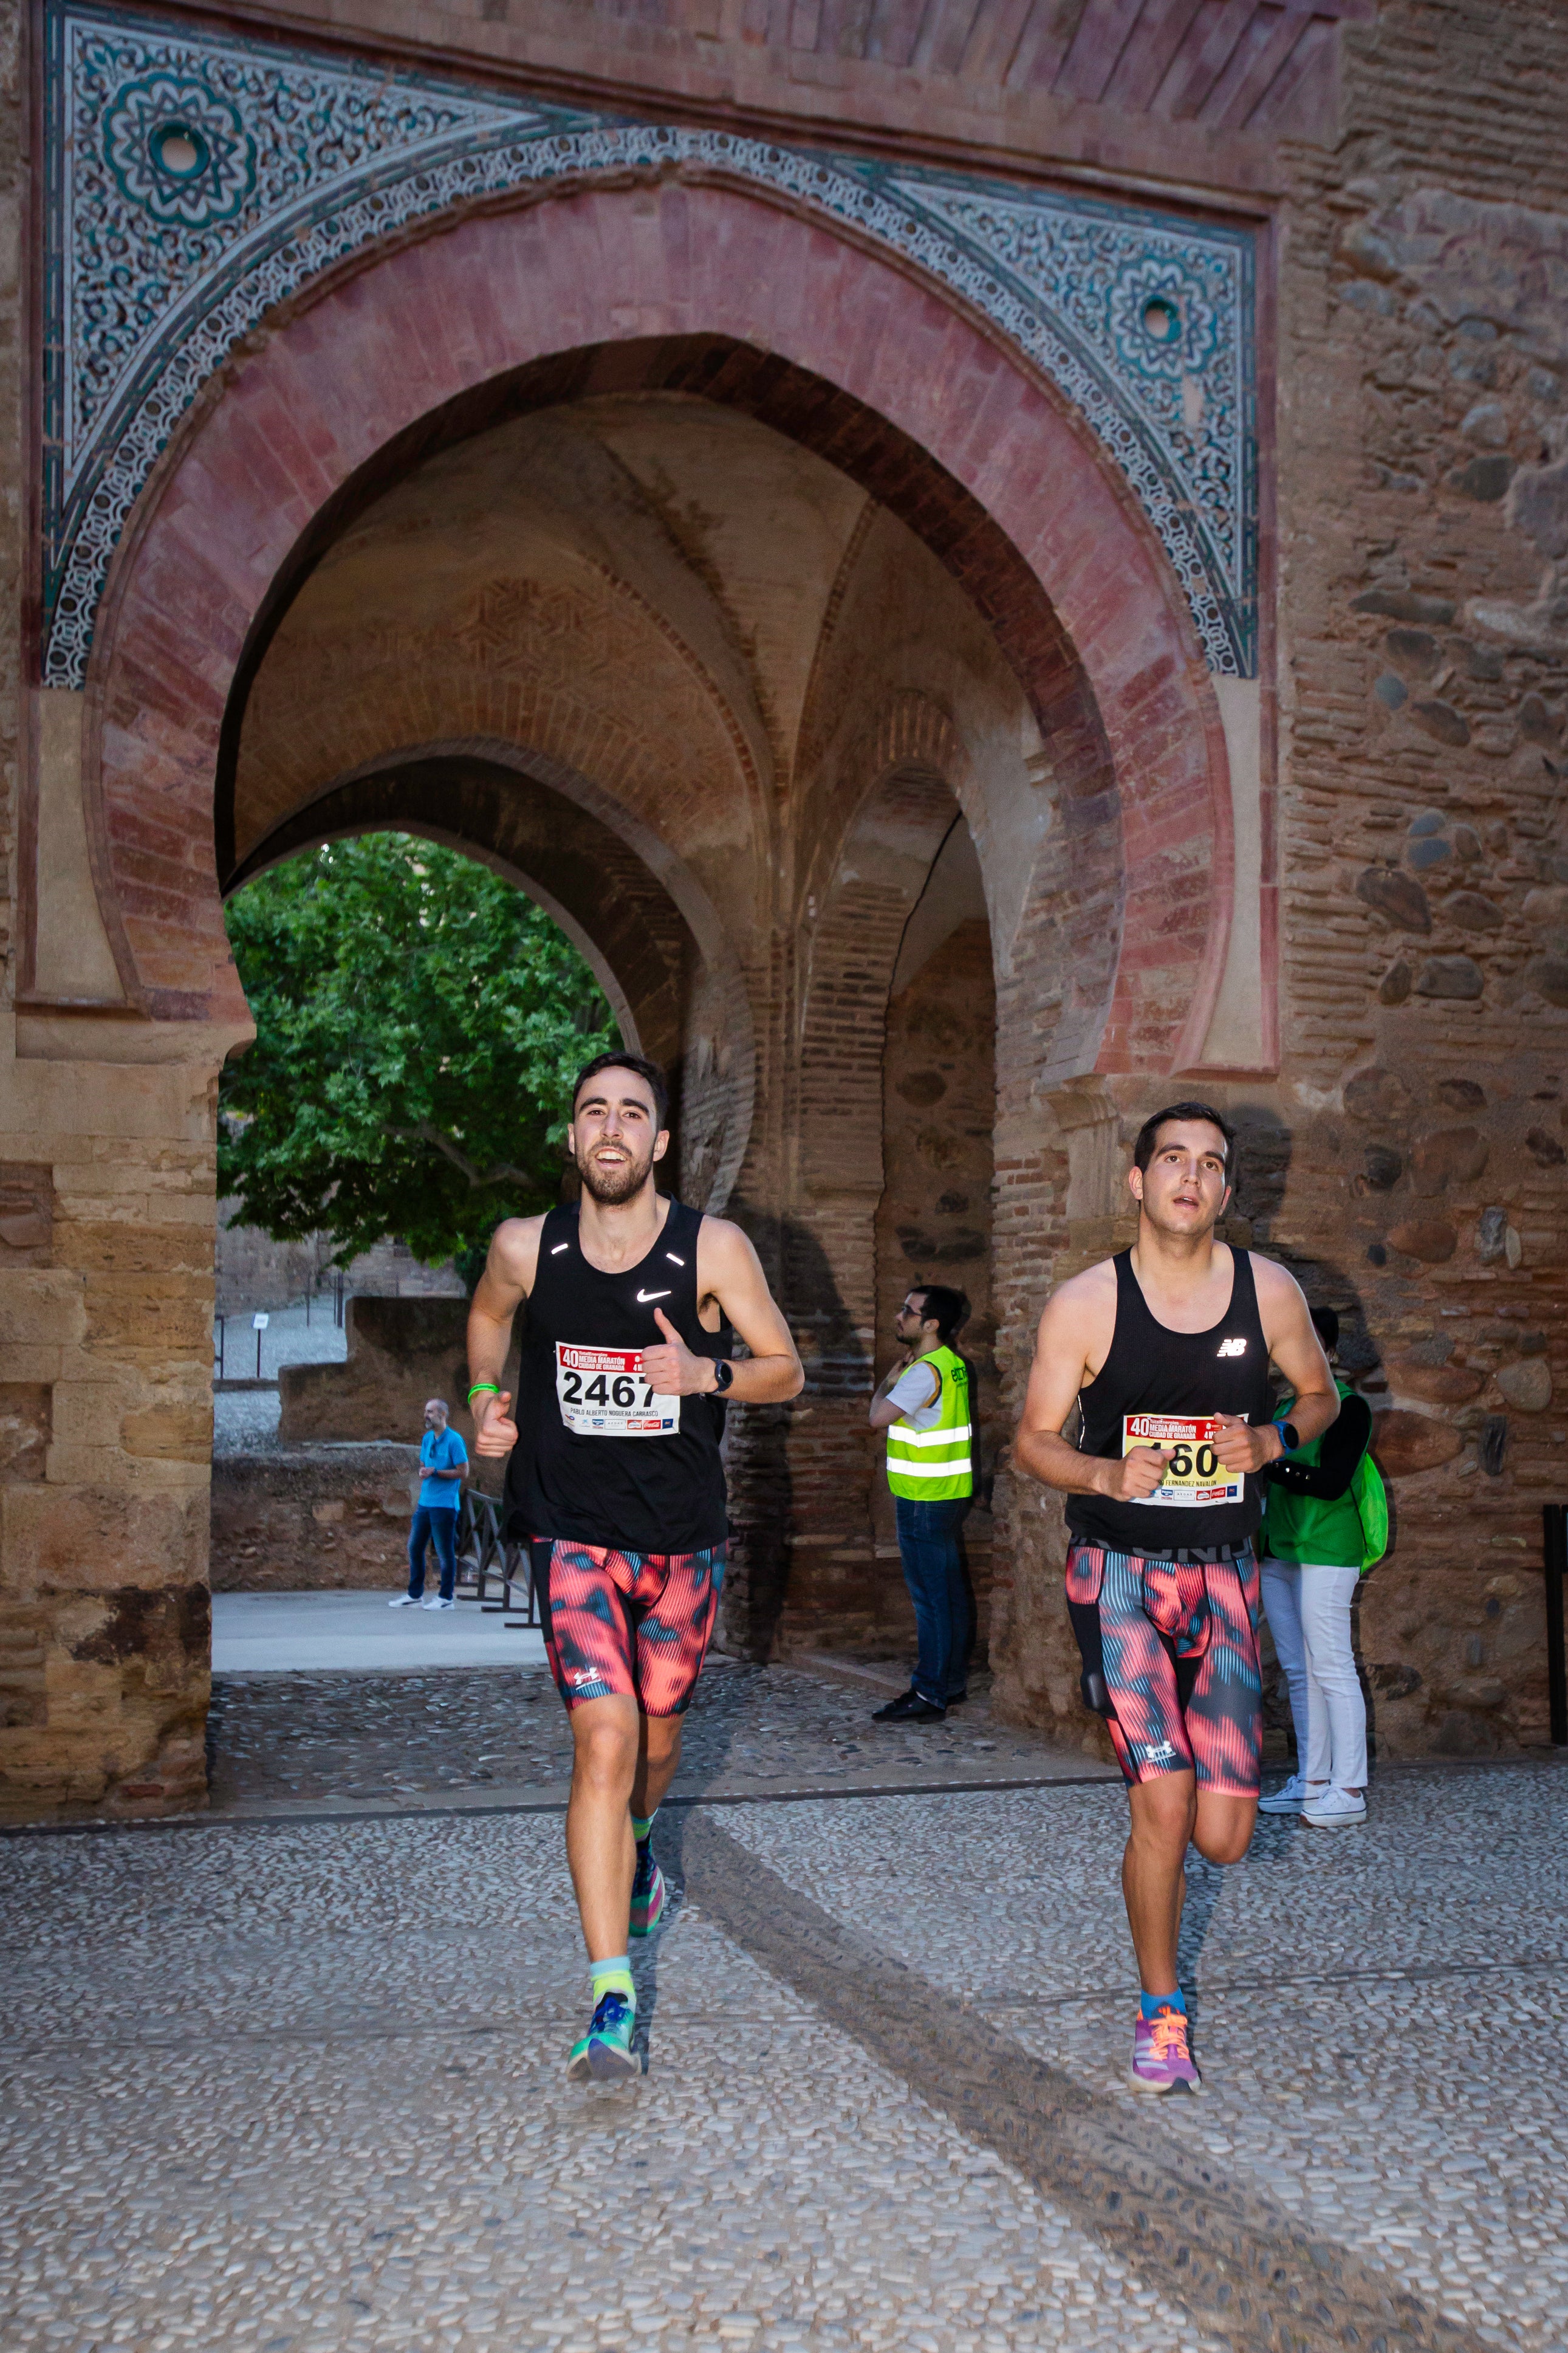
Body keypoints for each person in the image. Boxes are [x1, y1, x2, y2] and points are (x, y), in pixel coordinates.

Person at [466, 1051, 803, 2081]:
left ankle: (645, 1841)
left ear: (660, 1142)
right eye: (592, 1113)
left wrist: (704, 1370)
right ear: (572, 1139)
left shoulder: (714, 1247)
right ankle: (611, 1994)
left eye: (631, 1114)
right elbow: (487, 1317)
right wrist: (486, 1392)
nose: (610, 1129)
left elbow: (785, 1368)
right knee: (603, 1744)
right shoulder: (527, 1246)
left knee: (656, 1746)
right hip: (567, 1530)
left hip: (683, 1541)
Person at [1014, 1102, 1339, 2095]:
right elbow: (1033, 1439)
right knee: (1161, 1808)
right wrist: (1106, 1475)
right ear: (1139, 1182)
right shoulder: (1086, 1304)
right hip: (1116, 1577)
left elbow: (1323, 1397)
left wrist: (1274, 1441)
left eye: (1210, 1164)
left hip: (1225, 1576)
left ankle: (1177, 1883)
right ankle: (1162, 2014)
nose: (1190, 1177)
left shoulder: (1268, 1290)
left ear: (1228, 1188)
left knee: (1224, 1834)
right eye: (1172, 1160)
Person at [1257, 1305, 1382, 1829]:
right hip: (1279, 1548)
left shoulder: (1349, 1408)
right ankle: (1312, 1780)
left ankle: (1348, 1789)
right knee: (1298, 1671)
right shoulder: (1278, 1407)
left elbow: (1331, 1482)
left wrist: (1267, 1458)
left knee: (1331, 1666)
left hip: (1329, 1549)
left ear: (1327, 1352)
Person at [868, 1284, 974, 1723]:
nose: (899, 1316)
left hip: (922, 1500)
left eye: (908, 1311)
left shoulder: (922, 1372)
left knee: (931, 1599)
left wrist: (889, 1381)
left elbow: (876, 1417)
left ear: (931, 1324)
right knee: (948, 1594)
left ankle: (929, 1693)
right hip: (947, 1493)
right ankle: (949, 1684)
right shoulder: (952, 1365)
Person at [390, 1396, 469, 1610]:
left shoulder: (454, 1440)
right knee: (415, 1546)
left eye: (431, 1412)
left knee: (444, 1552)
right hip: (425, 1503)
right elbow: (424, 1463)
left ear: (442, 1415)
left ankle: (446, 1599)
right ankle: (415, 1595)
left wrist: (438, 1472)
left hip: (444, 1505)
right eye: (426, 1411)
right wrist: (423, 1471)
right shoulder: (427, 1438)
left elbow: (464, 1471)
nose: (426, 1415)